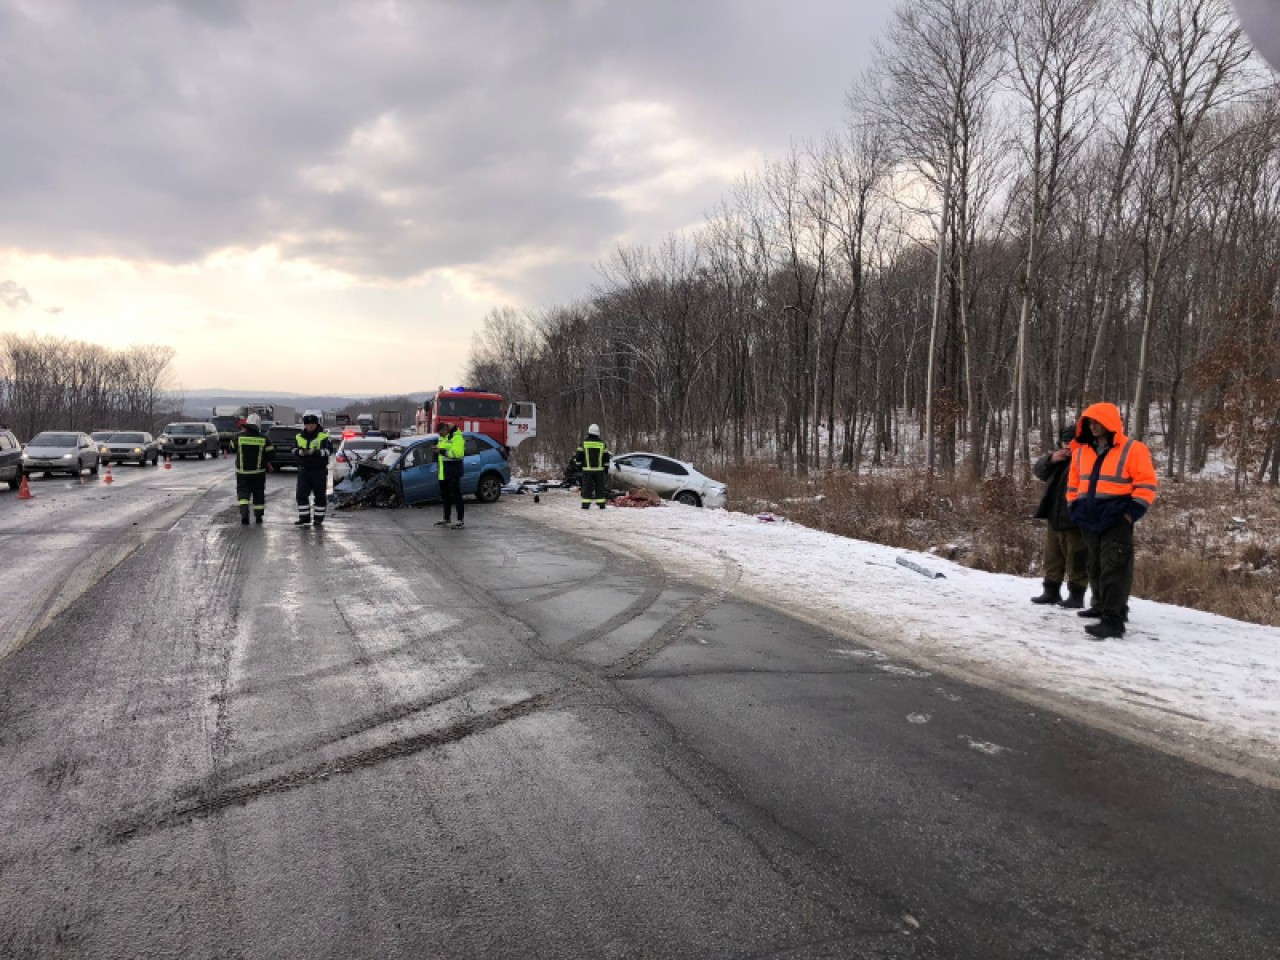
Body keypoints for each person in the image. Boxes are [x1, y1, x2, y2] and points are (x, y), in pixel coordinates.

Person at [1066, 402, 1159, 640]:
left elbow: (1147, 485)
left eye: (1098, 422)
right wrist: (1073, 507)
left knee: (1114, 569)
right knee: (1094, 566)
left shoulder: (1133, 449)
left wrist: (1130, 514)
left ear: (1110, 423)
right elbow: (1074, 484)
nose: (1094, 427)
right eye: (1090, 422)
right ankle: (1100, 606)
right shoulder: (1081, 450)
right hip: (1088, 518)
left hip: (1116, 518)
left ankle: (1113, 620)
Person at [1031, 425, 1088, 609]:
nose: (1067, 445)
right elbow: (1039, 471)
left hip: (1074, 519)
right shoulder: (1059, 460)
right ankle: (1051, 591)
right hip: (1054, 516)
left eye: (1071, 441)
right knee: (1052, 557)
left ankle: (1076, 595)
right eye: (1065, 441)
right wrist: (1051, 459)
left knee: (1076, 558)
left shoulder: (1085, 460)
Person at [230, 414, 274, 525]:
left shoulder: (238, 437)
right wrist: (266, 462)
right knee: (258, 493)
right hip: (258, 473)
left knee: (243, 493)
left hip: (242, 472)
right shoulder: (264, 439)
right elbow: (271, 454)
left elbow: (231, 447)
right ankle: (258, 516)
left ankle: (244, 514)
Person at [293, 414, 333, 526]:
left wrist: (315, 452)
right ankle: (304, 518)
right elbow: (293, 449)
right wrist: (300, 452)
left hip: (318, 470)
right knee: (301, 495)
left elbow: (329, 451)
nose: (310, 426)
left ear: (316, 424)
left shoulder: (323, 436)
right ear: (304, 425)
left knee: (320, 496)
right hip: (303, 470)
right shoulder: (299, 436)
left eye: (312, 424)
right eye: (308, 424)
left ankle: (318, 519)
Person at [434, 422, 466, 529]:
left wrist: (441, 451)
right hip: (443, 472)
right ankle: (446, 517)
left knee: (457, 496)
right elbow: (442, 453)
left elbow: (458, 453)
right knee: (445, 496)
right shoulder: (443, 438)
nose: (440, 435)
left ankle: (460, 520)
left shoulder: (457, 437)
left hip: (453, 471)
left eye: (441, 433)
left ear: (446, 430)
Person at [574, 423, 611, 510]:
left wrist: (578, 467)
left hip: (587, 470)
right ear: (598, 433)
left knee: (587, 487)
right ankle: (601, 504)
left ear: (589, 432)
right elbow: (606, 458)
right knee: (600, 487)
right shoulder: (602, 444)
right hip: (599, 470)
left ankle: (586, 505)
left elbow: (578, 456)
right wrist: (606, 468)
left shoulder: (583, 443)